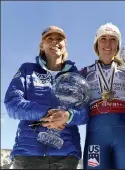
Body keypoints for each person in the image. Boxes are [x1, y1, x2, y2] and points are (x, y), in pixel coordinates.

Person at [4, 25, 89, 169]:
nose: (55, 42)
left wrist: (68, 116)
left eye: (59, 39)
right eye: (49, 38)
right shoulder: (27, 70)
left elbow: (86, 111)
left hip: (66, 156)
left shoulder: (76, 75)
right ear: (42, 45)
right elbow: (12, 103)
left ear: (65, 45)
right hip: (27, 155)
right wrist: (46, 112)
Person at [81, 23, 125, 169]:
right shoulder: (84, 73)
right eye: (103, 38)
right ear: (96, 44)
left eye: (113, 39)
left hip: (124, 134)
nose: (107, 43)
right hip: (96, 135)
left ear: (118, 45)